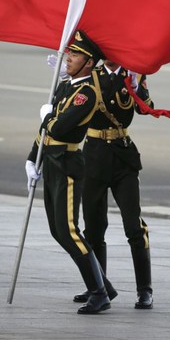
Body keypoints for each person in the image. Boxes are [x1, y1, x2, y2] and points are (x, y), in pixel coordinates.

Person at [25, 30, 116, 314]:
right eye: (70, 53)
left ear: (89, 62)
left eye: (75, 55)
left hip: (66, 164)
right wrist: (32, 159)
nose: (69, 58)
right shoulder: (66, 86)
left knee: (69, 230)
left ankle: (99, 293)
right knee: (58, 231)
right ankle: (104, 284)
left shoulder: (87, 93)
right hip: (50, 161)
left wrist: (47, 116)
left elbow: (60, 127)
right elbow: (45, 130)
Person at [71, 59, 155, 309]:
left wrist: (138, 85)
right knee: (94, 228)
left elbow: (145, 108)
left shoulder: (132, 74)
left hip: (122, 158)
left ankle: (144, 290)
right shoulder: (89, 75)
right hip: (94, 157)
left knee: (134, 227)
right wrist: (68, 79)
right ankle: (99, 287)